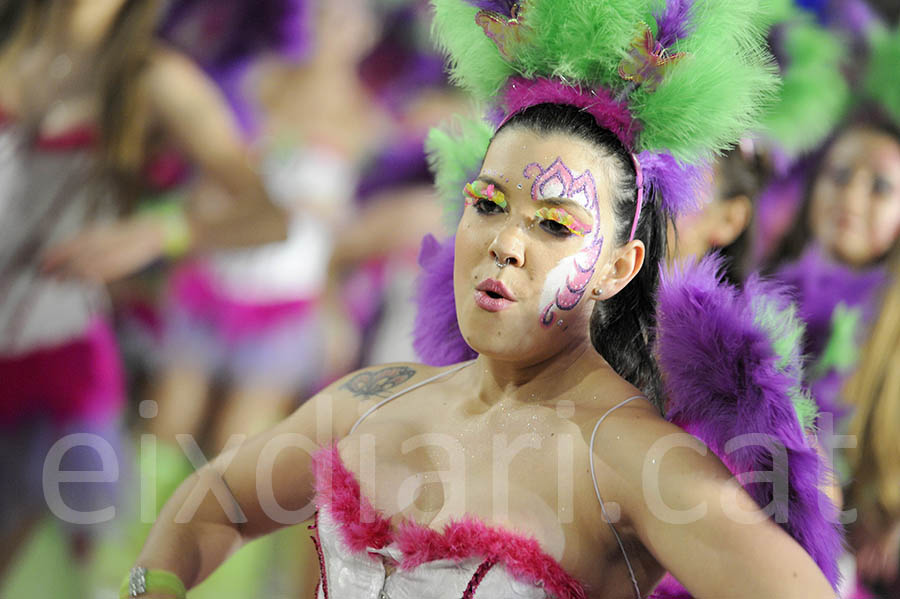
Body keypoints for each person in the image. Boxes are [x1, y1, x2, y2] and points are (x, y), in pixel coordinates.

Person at [123, 1, 838, 597]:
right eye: (489, 204)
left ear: (618, 268)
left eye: (555, 224)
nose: (507, 242)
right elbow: (212, 502)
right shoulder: (371, 399)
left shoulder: (632, 459)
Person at [0, 0, 286, 581]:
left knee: (77, 569)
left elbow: (268, 215)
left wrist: (161, 230)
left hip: (56, 375)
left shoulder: (153, 76)